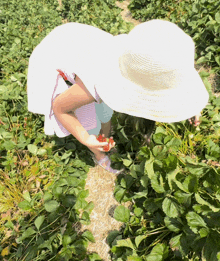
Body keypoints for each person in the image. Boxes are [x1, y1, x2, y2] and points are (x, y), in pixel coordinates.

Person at [27, 20, 209, 174]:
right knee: (87, 118)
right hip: (55, 52)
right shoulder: (94, 82)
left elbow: (173, 77)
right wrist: (84, 138)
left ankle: (104, 135)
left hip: (79, 41)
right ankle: (98, 153)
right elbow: (60, 108)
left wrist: (190, 105)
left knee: (105, 109)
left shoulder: (149, 55)